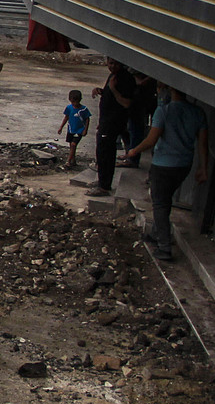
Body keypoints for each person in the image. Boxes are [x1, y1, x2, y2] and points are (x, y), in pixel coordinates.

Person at [123, 85, 207, 260]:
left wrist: (134, 150)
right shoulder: (198, 112)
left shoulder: (163, 111)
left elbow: (152, 139)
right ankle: (156, 233)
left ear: (169, 90)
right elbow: (202, 144)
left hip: (163, 164)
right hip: (184, 165)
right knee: (166, 198)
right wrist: (203, 167)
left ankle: (164, 246)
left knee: (160, 203)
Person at [79, 60, 138, 199]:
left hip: (113, 122)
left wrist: (113, 90)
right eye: (110, 63)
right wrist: (102, 91)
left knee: (106, 153)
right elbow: (110, 97)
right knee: (101, 152)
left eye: (115, 64)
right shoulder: (113, 76)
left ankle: (104, 186)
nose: (112, 66)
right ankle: (102, 180)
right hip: (106, 121)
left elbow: (126, 102)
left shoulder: (125, 79)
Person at [60, 90, 91, 171]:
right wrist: (61, 127)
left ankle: (68, 161)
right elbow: (66, 117)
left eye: (76, 102)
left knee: (73, 144)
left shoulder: (84, 109)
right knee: (71, 146)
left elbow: (87, 119)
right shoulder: (69, 108)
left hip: (79, 130)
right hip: (71, 129)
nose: (75, 104)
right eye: (73, 102)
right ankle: (73, 160)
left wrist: (85, 130)